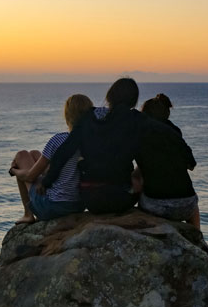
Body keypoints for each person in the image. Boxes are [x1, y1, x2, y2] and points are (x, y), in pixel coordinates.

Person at [44, 78, 193, 214]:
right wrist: (187, 155)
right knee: (139, 180)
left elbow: (64, 151)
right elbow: (165, 130)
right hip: (121, 199)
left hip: (91, 199)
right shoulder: (136, 120)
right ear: (134, 101)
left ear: (109, 96)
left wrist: (46, 182)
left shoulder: (87, 118)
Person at [9, 94, 92, 223]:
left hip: (53, 207)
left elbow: (30, 177)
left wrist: (14, 171)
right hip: (79, 205)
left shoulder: (58, 140)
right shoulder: (92, 141)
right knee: (35, 154)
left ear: (67, 116)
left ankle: (28, 215)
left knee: (22, 155)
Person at [134, 94, 200, 229]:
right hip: (187, 205)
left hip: (155, 207)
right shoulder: (174, 132)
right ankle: (198, 236)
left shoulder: (140, 133)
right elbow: (191, 165)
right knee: (193, 206)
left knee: (137, 175)